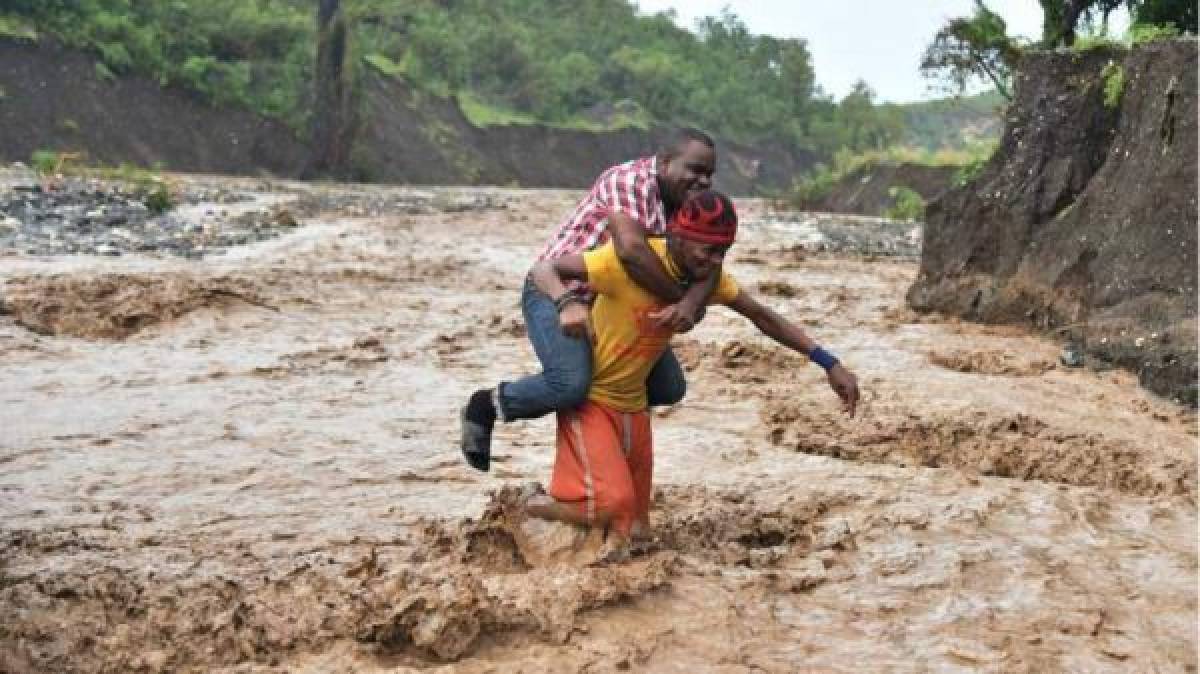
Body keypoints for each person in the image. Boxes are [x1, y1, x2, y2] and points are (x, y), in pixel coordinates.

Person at [520, 189, 859, 556]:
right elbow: (542, 270)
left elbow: (762, 316)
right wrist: (567, 303)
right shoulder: (623, 265)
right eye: (708, 250)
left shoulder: (704, 279)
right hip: (592, 404)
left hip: (633, 408)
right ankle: (529, 507)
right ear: (677, 237)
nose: (715, 261)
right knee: (609, 504)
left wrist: (829, 362)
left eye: (723, 252)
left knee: (638, 531)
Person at [461, 127, 723, 471]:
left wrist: (691, 303)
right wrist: (681, 298)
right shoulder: (628, 182)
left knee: (668, 387)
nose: (703, 181)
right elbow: (631, 251)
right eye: (694, 170)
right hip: (559, 289)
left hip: (614, 305)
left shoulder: (688, 206)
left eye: (709, 175)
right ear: (664, 162)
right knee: (570, 384)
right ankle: (488, 404)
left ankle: (599, 434)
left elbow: (715, 259)